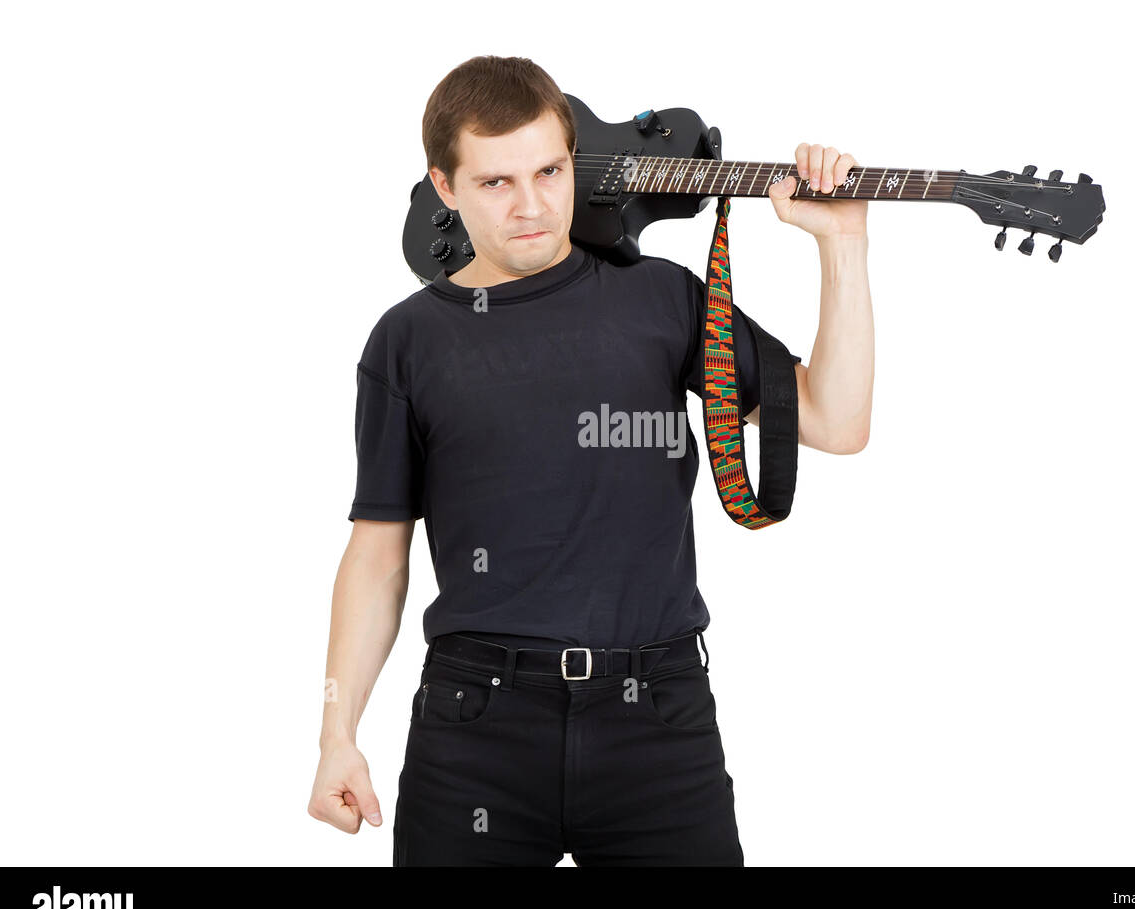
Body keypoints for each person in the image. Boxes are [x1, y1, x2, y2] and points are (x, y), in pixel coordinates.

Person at [308, 55, 875, 866]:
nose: (533, 205)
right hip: (475, 727)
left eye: (550, 170)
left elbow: (836, 418)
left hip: (658, 722)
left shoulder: (665, 299)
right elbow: (376, 553)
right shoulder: (407, 341)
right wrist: (338, 735)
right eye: (497, 183)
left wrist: (843, 244)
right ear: (445, 188)